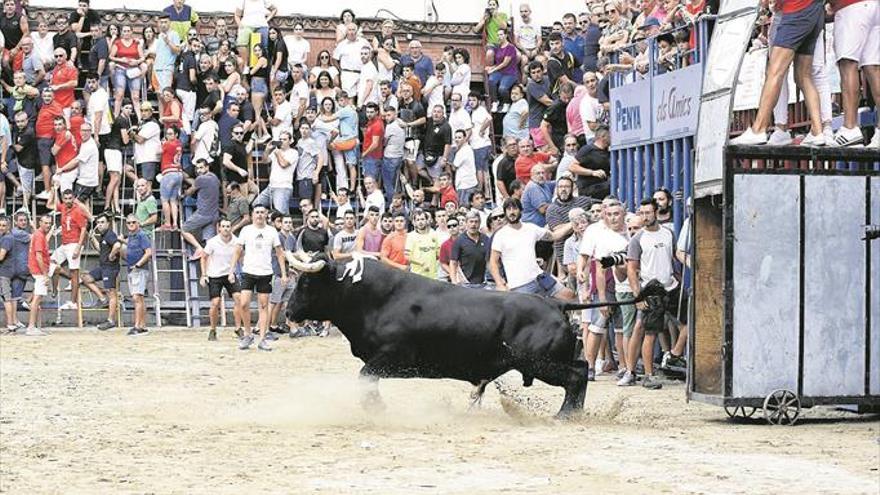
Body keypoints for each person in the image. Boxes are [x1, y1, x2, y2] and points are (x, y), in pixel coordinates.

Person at [730, 0, 827, 146]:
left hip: (796, 10)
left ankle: (758, 129)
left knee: (774, 71)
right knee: (803, 76)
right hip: (815, 10)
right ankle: (818, 131)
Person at [618, 198, 680, 390]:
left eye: (648, 213)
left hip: (671, 287)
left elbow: (674, 258)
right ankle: (645, 374)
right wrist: (638, 297)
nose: (645, 217)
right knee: (647, 331)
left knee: (680, 325)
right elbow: (631, 270)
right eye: (642, 213)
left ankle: (670, 358)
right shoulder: (638, 239)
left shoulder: (669, 233)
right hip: (650, 291)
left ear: (656, 212)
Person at [578, 200, 628, 378]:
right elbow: (598, 269)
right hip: (606, 286)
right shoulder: (601, 235)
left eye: (616, 214)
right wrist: (601, 297)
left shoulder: (631, 230)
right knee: (598, 325)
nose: (613, 218)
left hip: (625, 287)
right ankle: (590, 366)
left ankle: (624, 366)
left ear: (623, 214)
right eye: (609, 214)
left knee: (622, 328)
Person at [489, 197, 574, 298]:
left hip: (540, 278)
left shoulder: (531, 228)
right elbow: (493, 262)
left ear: (521, 210)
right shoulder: (500, 235)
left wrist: (572, 223)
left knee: (569, 295)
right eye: (508, 209)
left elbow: (554, 236)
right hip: (520, 286)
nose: (512, 212)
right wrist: (499, 284)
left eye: (515, 208)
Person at [831, 0, 880, 148]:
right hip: (874, 6)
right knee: (873, 68)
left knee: (848, 65)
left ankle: (850, 127)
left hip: (850, 7)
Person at [47, 187, 92, 311]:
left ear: (73, 198)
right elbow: (50, 204)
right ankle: (56, 288)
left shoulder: (77, 211)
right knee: (51, 263)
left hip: (74, 244)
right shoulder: (63, 207)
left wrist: (78, 246)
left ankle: (73, 302)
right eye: (65, 198)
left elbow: (83, 228)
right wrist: (54, 189)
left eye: (70, 198)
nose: (67, 201)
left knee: (74, 272)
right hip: (64, 243)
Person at [81, 213, 121, 331]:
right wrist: (92, 237)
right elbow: (100, 249)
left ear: (108, 223)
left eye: (102, 222)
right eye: (98, 223)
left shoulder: (110, 234)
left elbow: (117, 245)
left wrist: (112, 255)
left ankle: (111, 321)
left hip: (110, 268)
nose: (100, 225)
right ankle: (103, 299)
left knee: (111, 293)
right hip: (103, 267)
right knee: (85, 278)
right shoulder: (103, 236)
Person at [181, 159, 221, 259]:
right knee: (209, 241)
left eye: (201, 167)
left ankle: (199, 249)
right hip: (214, 214)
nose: (198, 170)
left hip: (203, 214)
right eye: (197, 168)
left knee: (184, 229)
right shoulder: (215, 178)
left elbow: (190, 191)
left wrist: (183, 194)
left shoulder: (201, 179)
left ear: (207, 167)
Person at [121, 214, 152, 336]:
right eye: (129, 223)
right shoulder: (132, 236)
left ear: (138, 223)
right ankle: (142, 325)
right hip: (132, 270)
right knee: (139, 299)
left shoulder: (141, 235)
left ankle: (138, 326)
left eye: (133, 222)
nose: (131, 224)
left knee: (137, 298)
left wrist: (138, 264)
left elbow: (148, 252)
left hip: (139, 270)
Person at [268, 213, 297, 337]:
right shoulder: (277, 237)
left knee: (286, 301)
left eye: (290, 222)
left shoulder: (292, 238)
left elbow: (292, 255)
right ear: (280, 224)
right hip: (278, 273)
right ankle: (265, 327)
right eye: (286, 222)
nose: (288, 224)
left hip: (289, 273)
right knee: (274, 301)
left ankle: (281, 326)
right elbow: (284, 255)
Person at [255, 130, 296, 214]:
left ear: (290, 141)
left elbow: (283, 164)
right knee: (256, 205)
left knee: (280, 213)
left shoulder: (293, 152)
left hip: (283, 187)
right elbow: (264, 161)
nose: (282, 141)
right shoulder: (275, 151)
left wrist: (278, 154)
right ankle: (270, 218)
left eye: (284, 139)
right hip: (271, 186)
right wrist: (267, 149)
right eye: (280, 139)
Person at [25, 214, 52, 336]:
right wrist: (45, 274)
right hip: (39, 271)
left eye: (49, 223)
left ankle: (32, 326)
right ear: (40, 222)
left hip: (38, 269)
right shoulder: (39, 236)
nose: (48, 225)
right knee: (37, 299)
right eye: (45, 223)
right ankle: (31, 327)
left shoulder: (38, 234)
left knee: (37, 297)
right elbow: (39, 257)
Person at [450, 211, 490, 288]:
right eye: (471, 221)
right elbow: (453, 262)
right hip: (465, 283)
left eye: (476, 222)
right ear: (466, 223)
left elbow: (489, 261)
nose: (473, 224)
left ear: (480, 223)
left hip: (483, 283)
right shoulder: (459, 240)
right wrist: (454, 281)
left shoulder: (486, 239)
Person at [570, 126, 610, 199]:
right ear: (603, 137)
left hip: (603, 187)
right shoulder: (588, 149)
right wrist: (592, 172)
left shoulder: (608, 151)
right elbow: (572, 167)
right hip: (589, 189)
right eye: (610, 136)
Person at [158, 126, 184, 230]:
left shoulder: (167, 144)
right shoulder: (179, 144)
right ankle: (175, 224)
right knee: (173, 200)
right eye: (167, 134)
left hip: (168, 173)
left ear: (176, 134)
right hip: (178, 173)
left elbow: (158, 152)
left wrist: (162, 143)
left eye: (170, 134)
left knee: (165, 200)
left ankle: (168, 223)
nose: (168, 136)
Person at [404, 209, 440, 278]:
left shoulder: (434, 234)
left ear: (427, 221)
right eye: (418, 220)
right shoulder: (411, 236)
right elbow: (407, 256)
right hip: (417, 276)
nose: (420, 222)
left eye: (422, 219)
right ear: (414, 222)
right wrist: (421, 263)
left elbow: (438, 254)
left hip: (433, 276)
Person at [451, 129, 478, 207]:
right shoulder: (469, 148)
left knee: (464, 208)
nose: (457, 140)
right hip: (470, 182)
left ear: (465, 138)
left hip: (464, 184)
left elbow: (454, 167)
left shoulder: (462, 151)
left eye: (459, 137)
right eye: (455, 137)